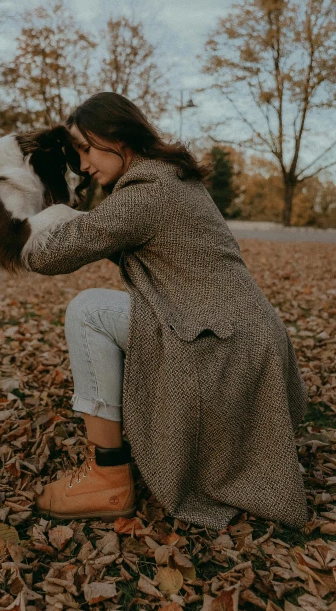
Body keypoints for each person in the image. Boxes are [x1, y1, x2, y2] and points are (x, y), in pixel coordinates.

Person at [23, 92, 308, 529]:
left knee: (89, 310)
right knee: (112, 308)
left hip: (222, 346)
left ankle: (107, 474)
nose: (83, 165)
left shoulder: (147, 194)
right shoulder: (171, 179)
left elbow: (49, 257)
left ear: (115, 134)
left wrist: (34, 221)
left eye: (85, 147)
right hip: (248, 340)